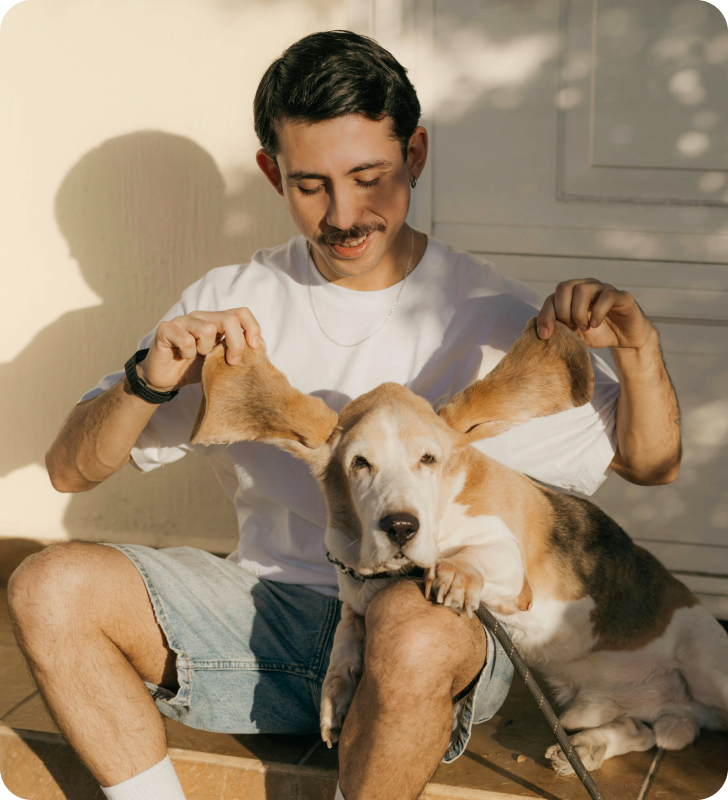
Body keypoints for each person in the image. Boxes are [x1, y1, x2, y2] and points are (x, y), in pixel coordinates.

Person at [8, 30, 680, 800]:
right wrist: (145, 381)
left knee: (411, 626)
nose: (345, 214)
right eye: (311, 185)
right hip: (270, 612)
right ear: (272, 173)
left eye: (371, 178)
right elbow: (70, 468)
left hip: (430, 622)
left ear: (416, 155)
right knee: (47, 585)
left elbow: (649, 462)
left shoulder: (491, 311)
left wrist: (638, 347)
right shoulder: (231, 302)